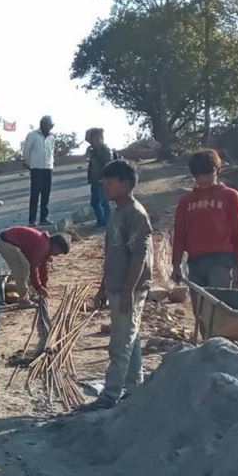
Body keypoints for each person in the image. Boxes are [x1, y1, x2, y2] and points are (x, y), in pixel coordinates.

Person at [89, 159, 152, 410]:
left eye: (110, 184)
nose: (106, 188)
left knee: (120, 344)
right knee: (131, 340)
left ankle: (109, 395)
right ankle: (135, 389)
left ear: (126, 184)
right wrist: (102, 288)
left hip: (130, 289)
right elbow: (111, 254)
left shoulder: (135, 214)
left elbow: (139, 256)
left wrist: (128, 291)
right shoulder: (116, 214)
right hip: (116, 287)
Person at [171, 149, 238, 288]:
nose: (203, 179)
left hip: (221, 260)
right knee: (199, 301)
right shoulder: (186, 202)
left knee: (217, 299)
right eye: (198, 175)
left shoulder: (230, 196)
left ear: (217, 170)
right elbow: (180, 235)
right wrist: (176, 264)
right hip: (195, 262)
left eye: (207, 173)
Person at [0, 226, 70, 305]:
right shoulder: (44, 246)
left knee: (26, 268)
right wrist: (38, 287)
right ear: (56, 246)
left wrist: (43, 286)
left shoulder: (46, 245)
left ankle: (27, 295)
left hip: (7, 240)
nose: (57, 255)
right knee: (23, 269)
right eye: (59, 252)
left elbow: (43, 267)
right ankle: (23, 300)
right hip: (5, 242)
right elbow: (33, 267)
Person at [20, 116, 58, 227]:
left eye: (50, 125)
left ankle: (44, 218)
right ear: (42, 125)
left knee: (46, 194)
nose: (48, 127)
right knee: (35, 195)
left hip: (48, 168)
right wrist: (29, 163)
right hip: (36, 168)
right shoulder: (33, 135)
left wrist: (51, 164)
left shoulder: (52, 137)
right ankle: (32, 220)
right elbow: (26, 151)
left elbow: (51, 152)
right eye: (46, 125)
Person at [84, 128, 115, 228]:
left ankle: (108, 222)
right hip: (94, 181)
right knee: (94, 203)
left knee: (104, 202)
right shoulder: (93, 151)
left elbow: (109, 164)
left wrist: (106, 177)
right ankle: (100, 221)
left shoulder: (105, 150)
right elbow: (87, 160)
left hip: (102, 180)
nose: (95, 141)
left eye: (97, 138)